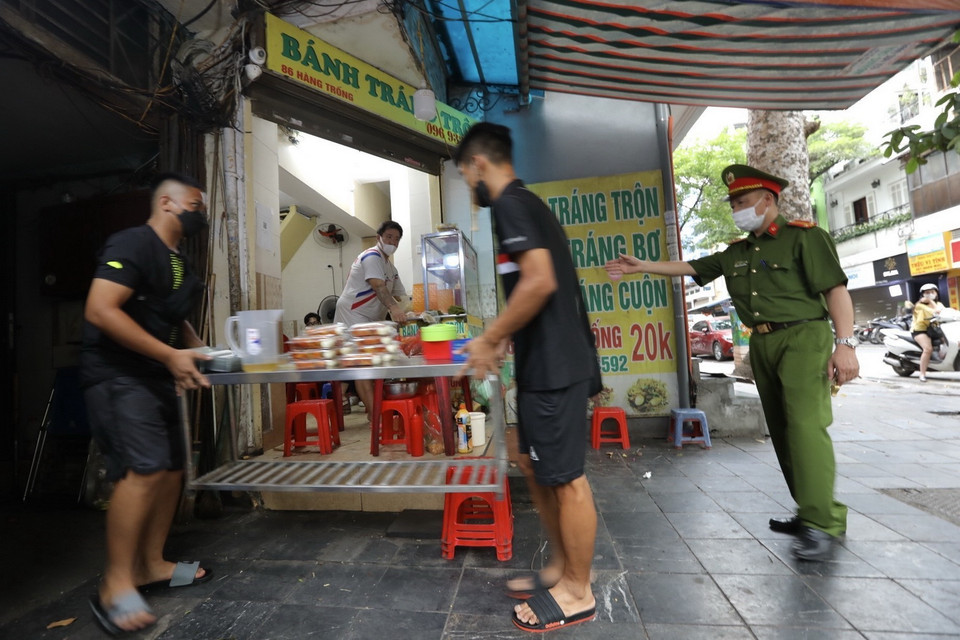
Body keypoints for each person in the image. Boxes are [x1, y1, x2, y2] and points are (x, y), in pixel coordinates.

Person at [605, 164, 859, 562]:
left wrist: (845, 345)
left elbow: (836, 290)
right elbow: (691, 268)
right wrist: (643, 266)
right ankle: (810, 511)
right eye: (734, 204)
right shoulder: (736, 252)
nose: (736, 209)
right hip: (763, 343)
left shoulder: (804, 238)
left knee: (807, 429)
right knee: (782, 430)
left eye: (742, 201)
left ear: (768, 199)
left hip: (804, 337)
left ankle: (823, 522)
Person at [454, 123, 601, 632]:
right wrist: (504, 342)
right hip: (547, 363)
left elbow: (539, 281)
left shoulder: (511, 204)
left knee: (567, 480)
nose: (466, 185)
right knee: (533, 465)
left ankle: (578, 591)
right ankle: (563, 567)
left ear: (477, 164)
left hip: (557, 367)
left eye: (462, 173)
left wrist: (489, 338)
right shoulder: (522, 206)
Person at [80, 173, 214, 634]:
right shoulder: (132, 243)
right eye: (196, 204)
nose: (202, 213)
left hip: (155, 375)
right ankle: (116, 582)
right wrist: (170, 355)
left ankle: (151, 564)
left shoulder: (181, 266)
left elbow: (175, 324)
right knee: (147, 467)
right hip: (117, 374)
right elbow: (100, 309)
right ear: (167, 203)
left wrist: (205, 353)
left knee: (174, 467)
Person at [334, 220, 411, 413]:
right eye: (389, 237)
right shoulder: (371, 256)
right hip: (353, 314)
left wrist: (415, 312)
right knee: (362, 366)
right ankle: (374, 416)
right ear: (379, 238)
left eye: (397, 239)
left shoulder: (391, 269)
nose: (393, 242)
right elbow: (378, 286)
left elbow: (401, 297)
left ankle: (375, 410)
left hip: (371, 319)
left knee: (375, 362)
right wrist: (394, 309)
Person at [911, 283, 945, 382]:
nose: (930, 294)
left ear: (936, 293)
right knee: (928, 349)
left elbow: (943, 311)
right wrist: (930, 300)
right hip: (920, 330)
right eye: (927, 293)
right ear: (922, 295)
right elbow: (936, 311)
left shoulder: (939, 304)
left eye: (932, 292)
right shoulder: (919, 305)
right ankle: (922, 374)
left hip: (934, 329)